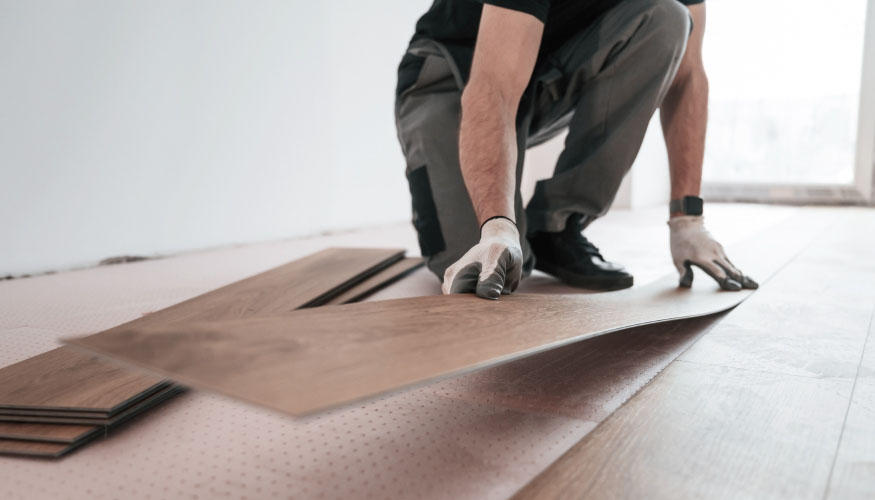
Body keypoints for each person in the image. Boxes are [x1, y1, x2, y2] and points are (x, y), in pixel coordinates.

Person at [394, 0, 758, 300]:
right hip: (450, 81)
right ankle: (503, 230)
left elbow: (688, 75)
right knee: (476, 271)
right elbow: (494, 87)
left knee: (667, 18)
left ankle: (557, 225)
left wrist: (687, 219)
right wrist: (496, 227)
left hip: (539, 77)